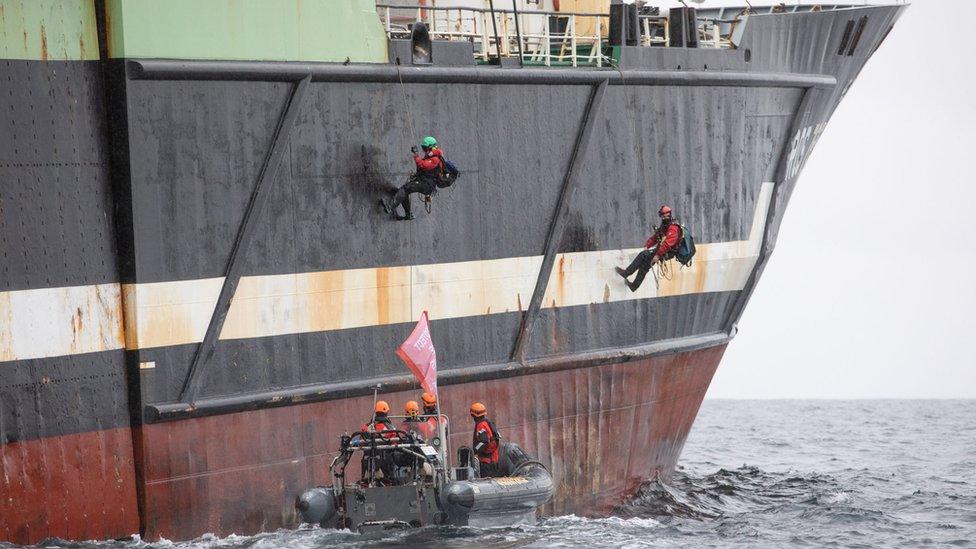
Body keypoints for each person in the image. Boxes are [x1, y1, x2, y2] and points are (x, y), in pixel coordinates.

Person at [615, 205, 682, 292]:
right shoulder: (665, 225)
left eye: (662, 215)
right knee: (645, 265)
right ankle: (634, 285)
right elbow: (656, 237)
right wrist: (647, 245)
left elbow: (667, 244)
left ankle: (626, 273)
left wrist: (658, 255)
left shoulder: (673, 228)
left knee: (643, 255)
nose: (661, 217)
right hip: (662, 250)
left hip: (666, 252)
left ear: (666, 215)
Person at [381, 136, 447, 220]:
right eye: (423, 148)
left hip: (426, 184)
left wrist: (416, 154)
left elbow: (422, 165)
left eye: (425, 148)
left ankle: (390, 206)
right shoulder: (432, 157)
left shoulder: (435, 159)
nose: (424, 150)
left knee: (405, 189)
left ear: (430, 147)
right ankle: (408, 214)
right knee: (406, 190)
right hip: (425, 183)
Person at [470, 402, 501, 478]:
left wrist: (474, 451)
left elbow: (484, 442)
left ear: (473, 415)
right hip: (494, 459)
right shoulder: (488, 422)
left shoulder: (481, 425)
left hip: (487, 462)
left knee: (487, 482)